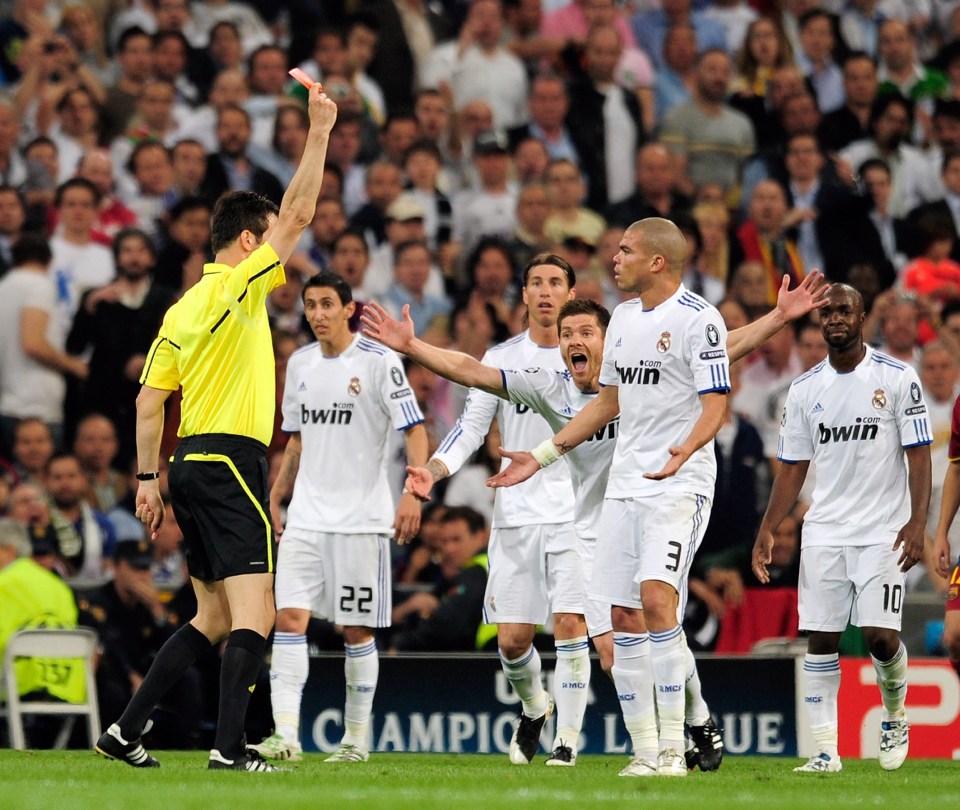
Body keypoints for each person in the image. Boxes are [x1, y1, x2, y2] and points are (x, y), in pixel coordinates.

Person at [363, 260, 827, 772]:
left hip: (645, 508)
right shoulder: (544, 382)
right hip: (588, 525)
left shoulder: (636, 377)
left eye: (586, 331)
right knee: (594, 645)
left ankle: (676, 728)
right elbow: (473, 372)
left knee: (646, 618)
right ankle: (662, 734)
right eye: (568, 334)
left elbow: (720, 347)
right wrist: (412, 347)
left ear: (611, 342)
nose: (574, 341)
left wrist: (777, 320)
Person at [94, 80, 339, 773]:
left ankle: (125, 730)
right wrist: (318, 130)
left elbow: (148, 403)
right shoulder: (238, 286)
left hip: (190, 463)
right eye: (266, 242)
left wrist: (148, 479)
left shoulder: (180, 309)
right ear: (246, 241)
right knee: (255, 611)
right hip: (233, 461)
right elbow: (297, 212)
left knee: (213, 617)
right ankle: (230, 750)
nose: (277, 254)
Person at [479, 218, 730, 777]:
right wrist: (543, 455)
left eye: (625, 251)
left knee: (657, 602)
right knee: (619, 614)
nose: (614, 259)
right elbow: (607, 404)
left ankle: (674, 748)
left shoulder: (699, 319)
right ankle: (645, 751)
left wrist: (684, 449)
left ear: (657, 261)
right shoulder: (622, 323)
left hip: (679, 482)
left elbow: (717, 404)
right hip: (624, 486)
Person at [248, 271, 428, 764]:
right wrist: (276, 497)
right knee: (288, 619)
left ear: (349, 309)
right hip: (306, 517)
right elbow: (297, 439)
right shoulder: (301, 363)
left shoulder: (379, 362)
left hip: (361, 521)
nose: (318, 314)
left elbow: (414, 430)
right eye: (310, 305)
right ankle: (285, 735)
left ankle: (354, 740)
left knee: (355, 630)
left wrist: (414, 491)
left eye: (328, 304)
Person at [753, 283, 931, 774]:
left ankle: (895, 714)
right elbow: (792, 467)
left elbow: (919, 454)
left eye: (843, 310)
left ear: (862, 317)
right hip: (824, 530)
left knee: (878, 637)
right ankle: (826, 751)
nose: (834, 318)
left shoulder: (897, 378)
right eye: (826, 311)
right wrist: (770, 526)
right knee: (822, 639)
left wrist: (917, 522)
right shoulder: (805, 389)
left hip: (883, 530)